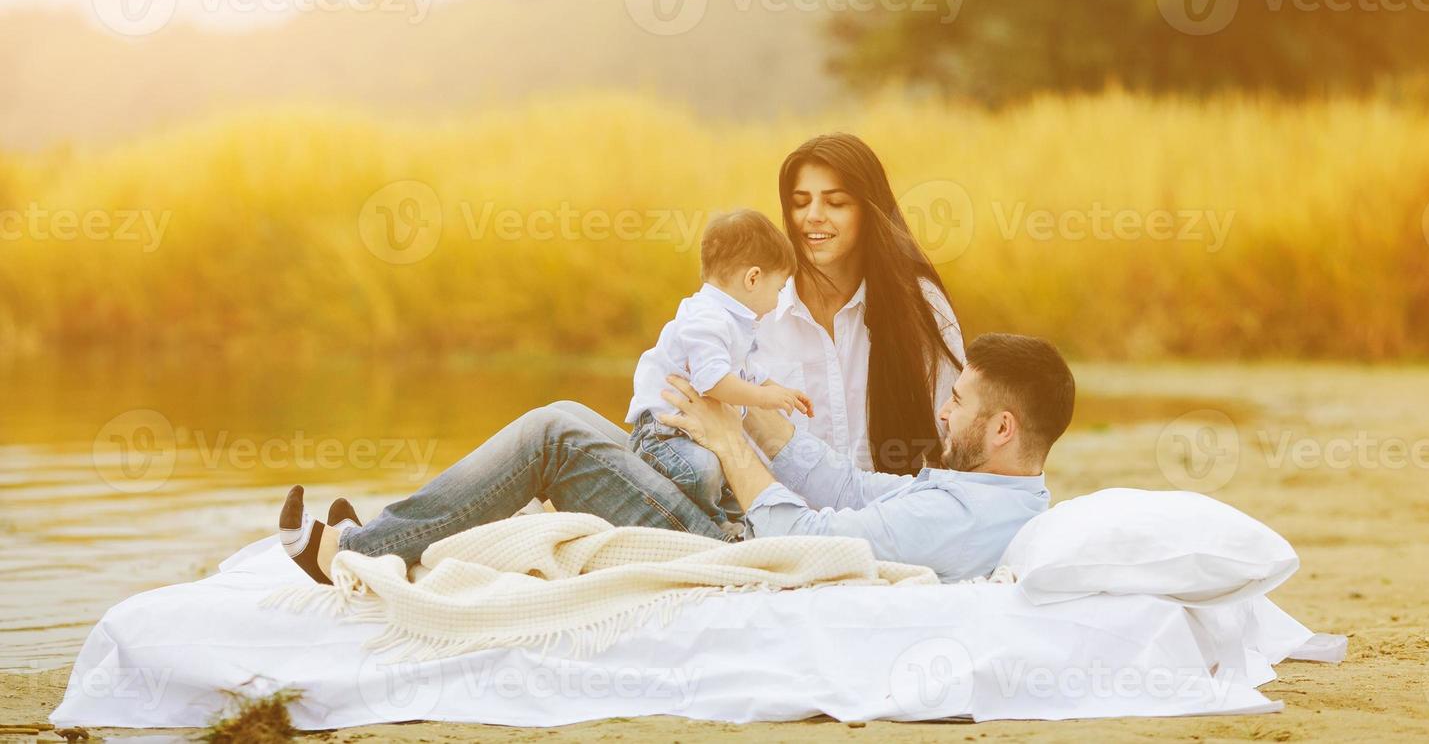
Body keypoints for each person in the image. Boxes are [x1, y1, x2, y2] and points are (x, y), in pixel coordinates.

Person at [278, 333, 1074, 585]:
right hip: (739, 524)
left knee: (556, 430)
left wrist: (726, 444)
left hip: (733, 549)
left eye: (959, 402)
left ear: (1002, 428)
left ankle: (351, 551)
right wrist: (752, 416)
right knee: (588, 439)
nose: (943, 409)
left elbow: (811, 537)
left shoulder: (958, 517)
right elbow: (847, 487)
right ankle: (400, 530)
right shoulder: (980, 491)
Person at [758, 134, 966, 474]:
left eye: (835, 203)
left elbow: (955, 432)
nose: (813, 216)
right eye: (799, 202)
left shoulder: (920, 303)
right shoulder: (757, 309)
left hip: (894, 516)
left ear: (869, 211)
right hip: (783, 524)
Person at [625, 209, 811, 532]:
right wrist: (764, 398)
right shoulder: (707, 318)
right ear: (753, 279)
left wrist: (778, 388)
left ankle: (728, 518)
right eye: (779, 289)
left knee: (728, 472)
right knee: (703, 470)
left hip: (690, 434)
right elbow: (712, 381)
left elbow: (746, 370)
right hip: (662, 436)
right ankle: (710, 525)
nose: (778, 301)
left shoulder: (732, 321)